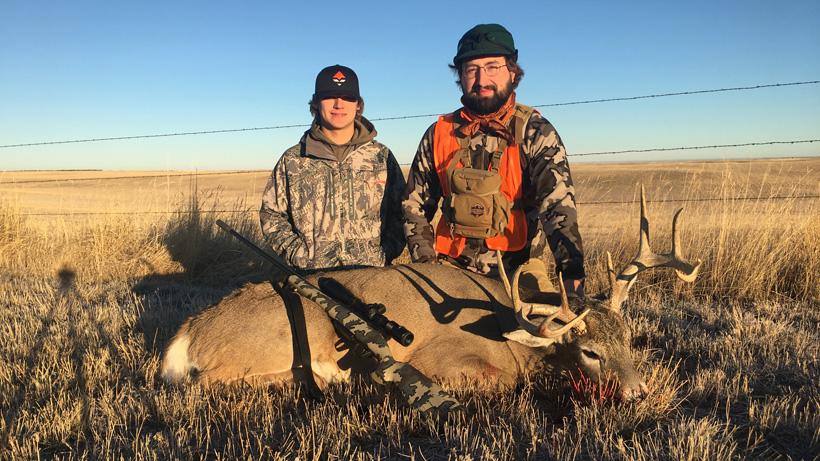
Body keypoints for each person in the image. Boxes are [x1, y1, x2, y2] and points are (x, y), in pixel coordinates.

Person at [402, 24, 585, 296]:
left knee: (545, 332)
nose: (481, 79)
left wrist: (572, 273)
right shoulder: (438, 133)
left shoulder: (535, 131)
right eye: (471, 69)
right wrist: (428, 267)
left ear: (512, 71)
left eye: (492, 67)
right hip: (448, 269)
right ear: (461, 76)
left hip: (518, 271)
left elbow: (557, 207)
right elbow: (414, 207)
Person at [260, 64, 406, 271]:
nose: (339, 104)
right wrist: (299, 255)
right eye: (330, 96)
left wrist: (384, 252)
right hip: (312, 277)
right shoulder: (293, 159)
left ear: (358, 105)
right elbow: (272, 214)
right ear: (316, 104)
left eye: (347, 97)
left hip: (371, 276)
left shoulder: (381, 157)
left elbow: (401, 211)